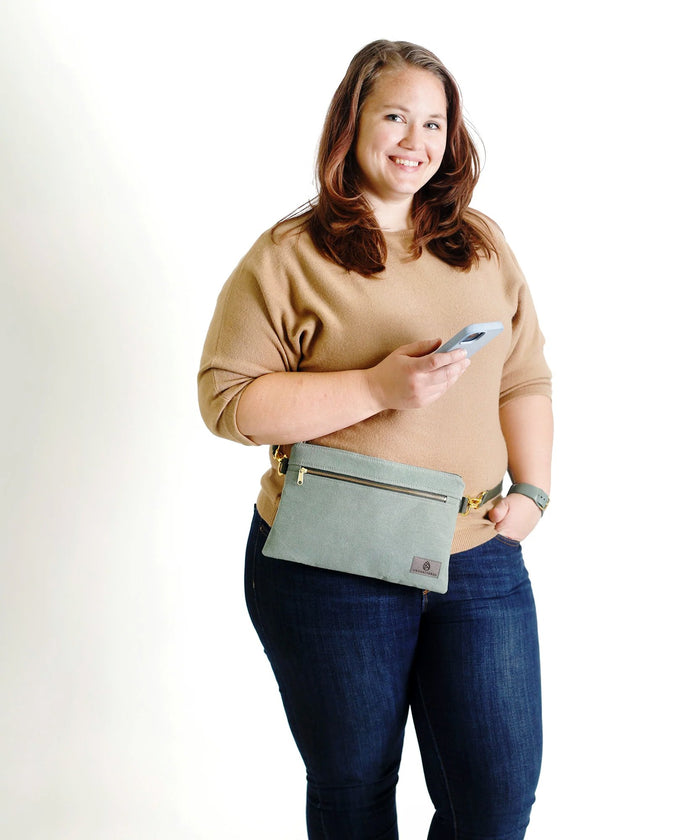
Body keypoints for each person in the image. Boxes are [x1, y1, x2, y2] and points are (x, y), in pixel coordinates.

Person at [198, 39, 553, 840]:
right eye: (394, 115)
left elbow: (524, 377)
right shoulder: (288, 256)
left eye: (434, 123)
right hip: (331, 566)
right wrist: (375, 388)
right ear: (351, 124)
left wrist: (532, 492)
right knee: (355, 792)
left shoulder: (483, 244)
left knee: (496, 804)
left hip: (477, 553)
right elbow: (228, 402)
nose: (414, 140)